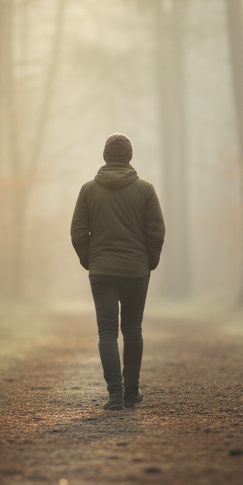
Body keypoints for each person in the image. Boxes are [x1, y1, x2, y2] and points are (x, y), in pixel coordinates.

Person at [70, 133, 165, 410]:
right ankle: (131, 391)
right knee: (133, 330)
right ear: (129, 157)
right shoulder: (145, 190)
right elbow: (156, 231)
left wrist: (91, 260)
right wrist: (150, 261)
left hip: (102, 271)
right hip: (136, 270)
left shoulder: (88, 190)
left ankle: (114, 394)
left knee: (107, 333)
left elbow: (77, 232)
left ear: (105, 156)